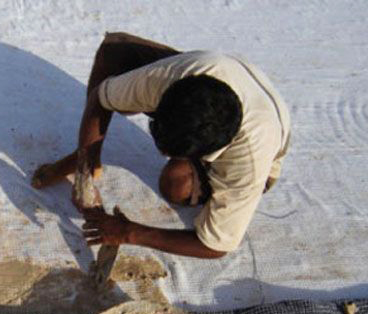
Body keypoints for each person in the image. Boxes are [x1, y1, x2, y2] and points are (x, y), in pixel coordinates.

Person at [31, 32, 290, 258]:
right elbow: (101, 97)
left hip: (256, 141)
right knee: (115, 51)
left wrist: (129, 232)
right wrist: (85, 167)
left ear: (202, 154)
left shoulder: (247, 162)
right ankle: (86, 154)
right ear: (166, 98)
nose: (161, 153)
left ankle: (91, 148)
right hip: (212, 80)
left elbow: (215, 247)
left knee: (175, 185)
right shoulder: (175, 77)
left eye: (172, 151)